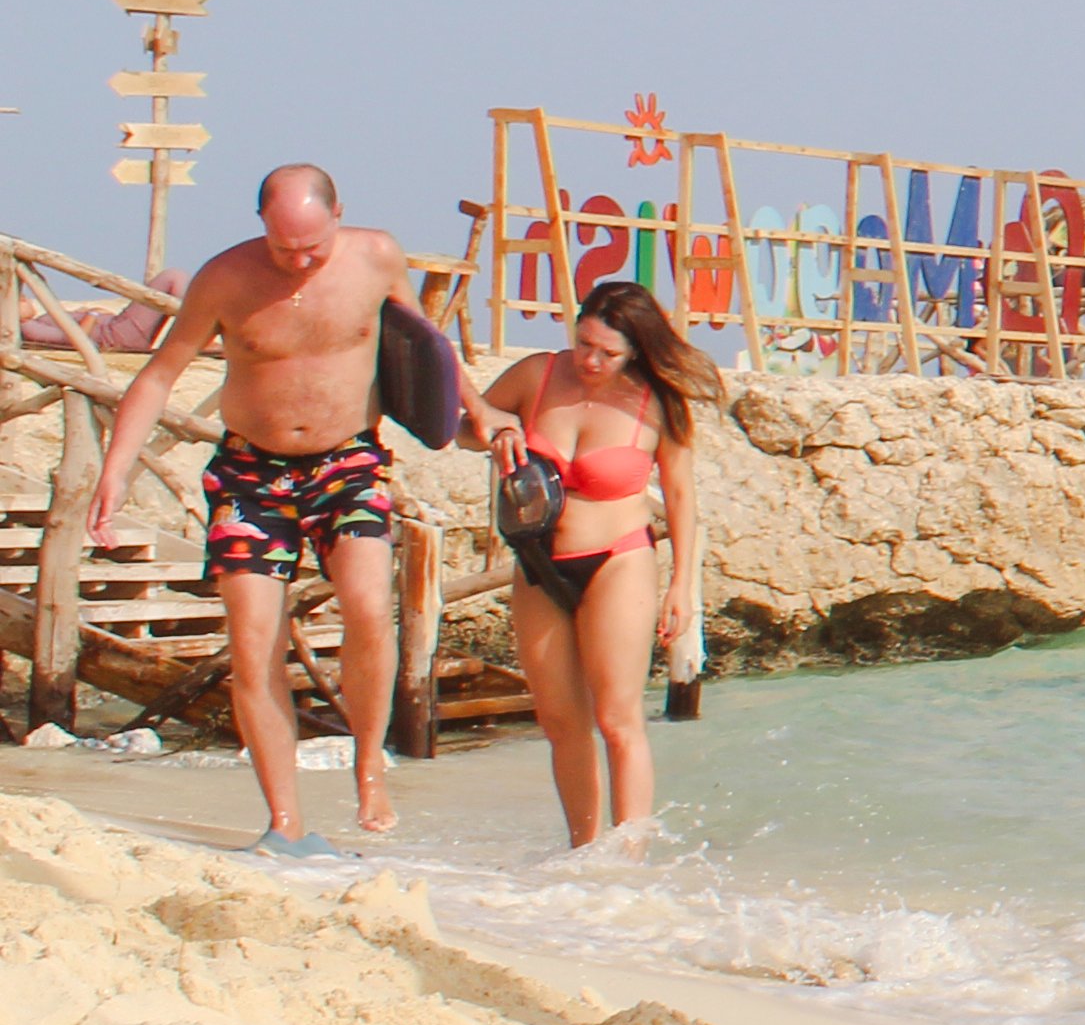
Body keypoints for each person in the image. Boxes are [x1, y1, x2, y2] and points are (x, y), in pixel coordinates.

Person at [80, 166, 414, 851]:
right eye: (283, 247)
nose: (297, 262)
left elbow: (427, 358)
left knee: (368, 604)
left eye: (312, 248)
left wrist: (479, 418)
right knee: (254, 640)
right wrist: (114, 473)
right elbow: (159, 374)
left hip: (346, 460)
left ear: (339, 214)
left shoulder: (377, 257)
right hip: (249, 473)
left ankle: (369, 762)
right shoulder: (225, 278)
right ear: (261, 222)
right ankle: (285, 820)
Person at [472, 276, 711, 848]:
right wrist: (497, 429)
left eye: (608, 352)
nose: (591, 360)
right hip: (538, 561)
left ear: (635, 350)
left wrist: (682, 586)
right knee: (560, 723)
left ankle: (627, 858)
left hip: (618, 558)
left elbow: (681, 497)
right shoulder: (538, 374)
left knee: (617, 720)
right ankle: (584, 856)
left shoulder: (658, 402)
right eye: (584, 343)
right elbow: (468, 421)